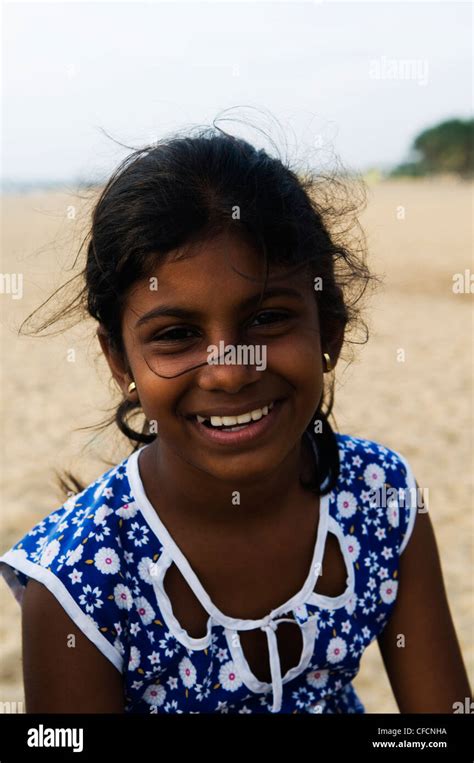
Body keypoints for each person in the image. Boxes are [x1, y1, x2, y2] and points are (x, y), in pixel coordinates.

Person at [0, 126, 471, 713]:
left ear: (328, 331)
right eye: (177, 336)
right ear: (119, 361)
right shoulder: (76, 582)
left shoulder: (383, 499)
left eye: (268, 318)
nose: (228, 371)